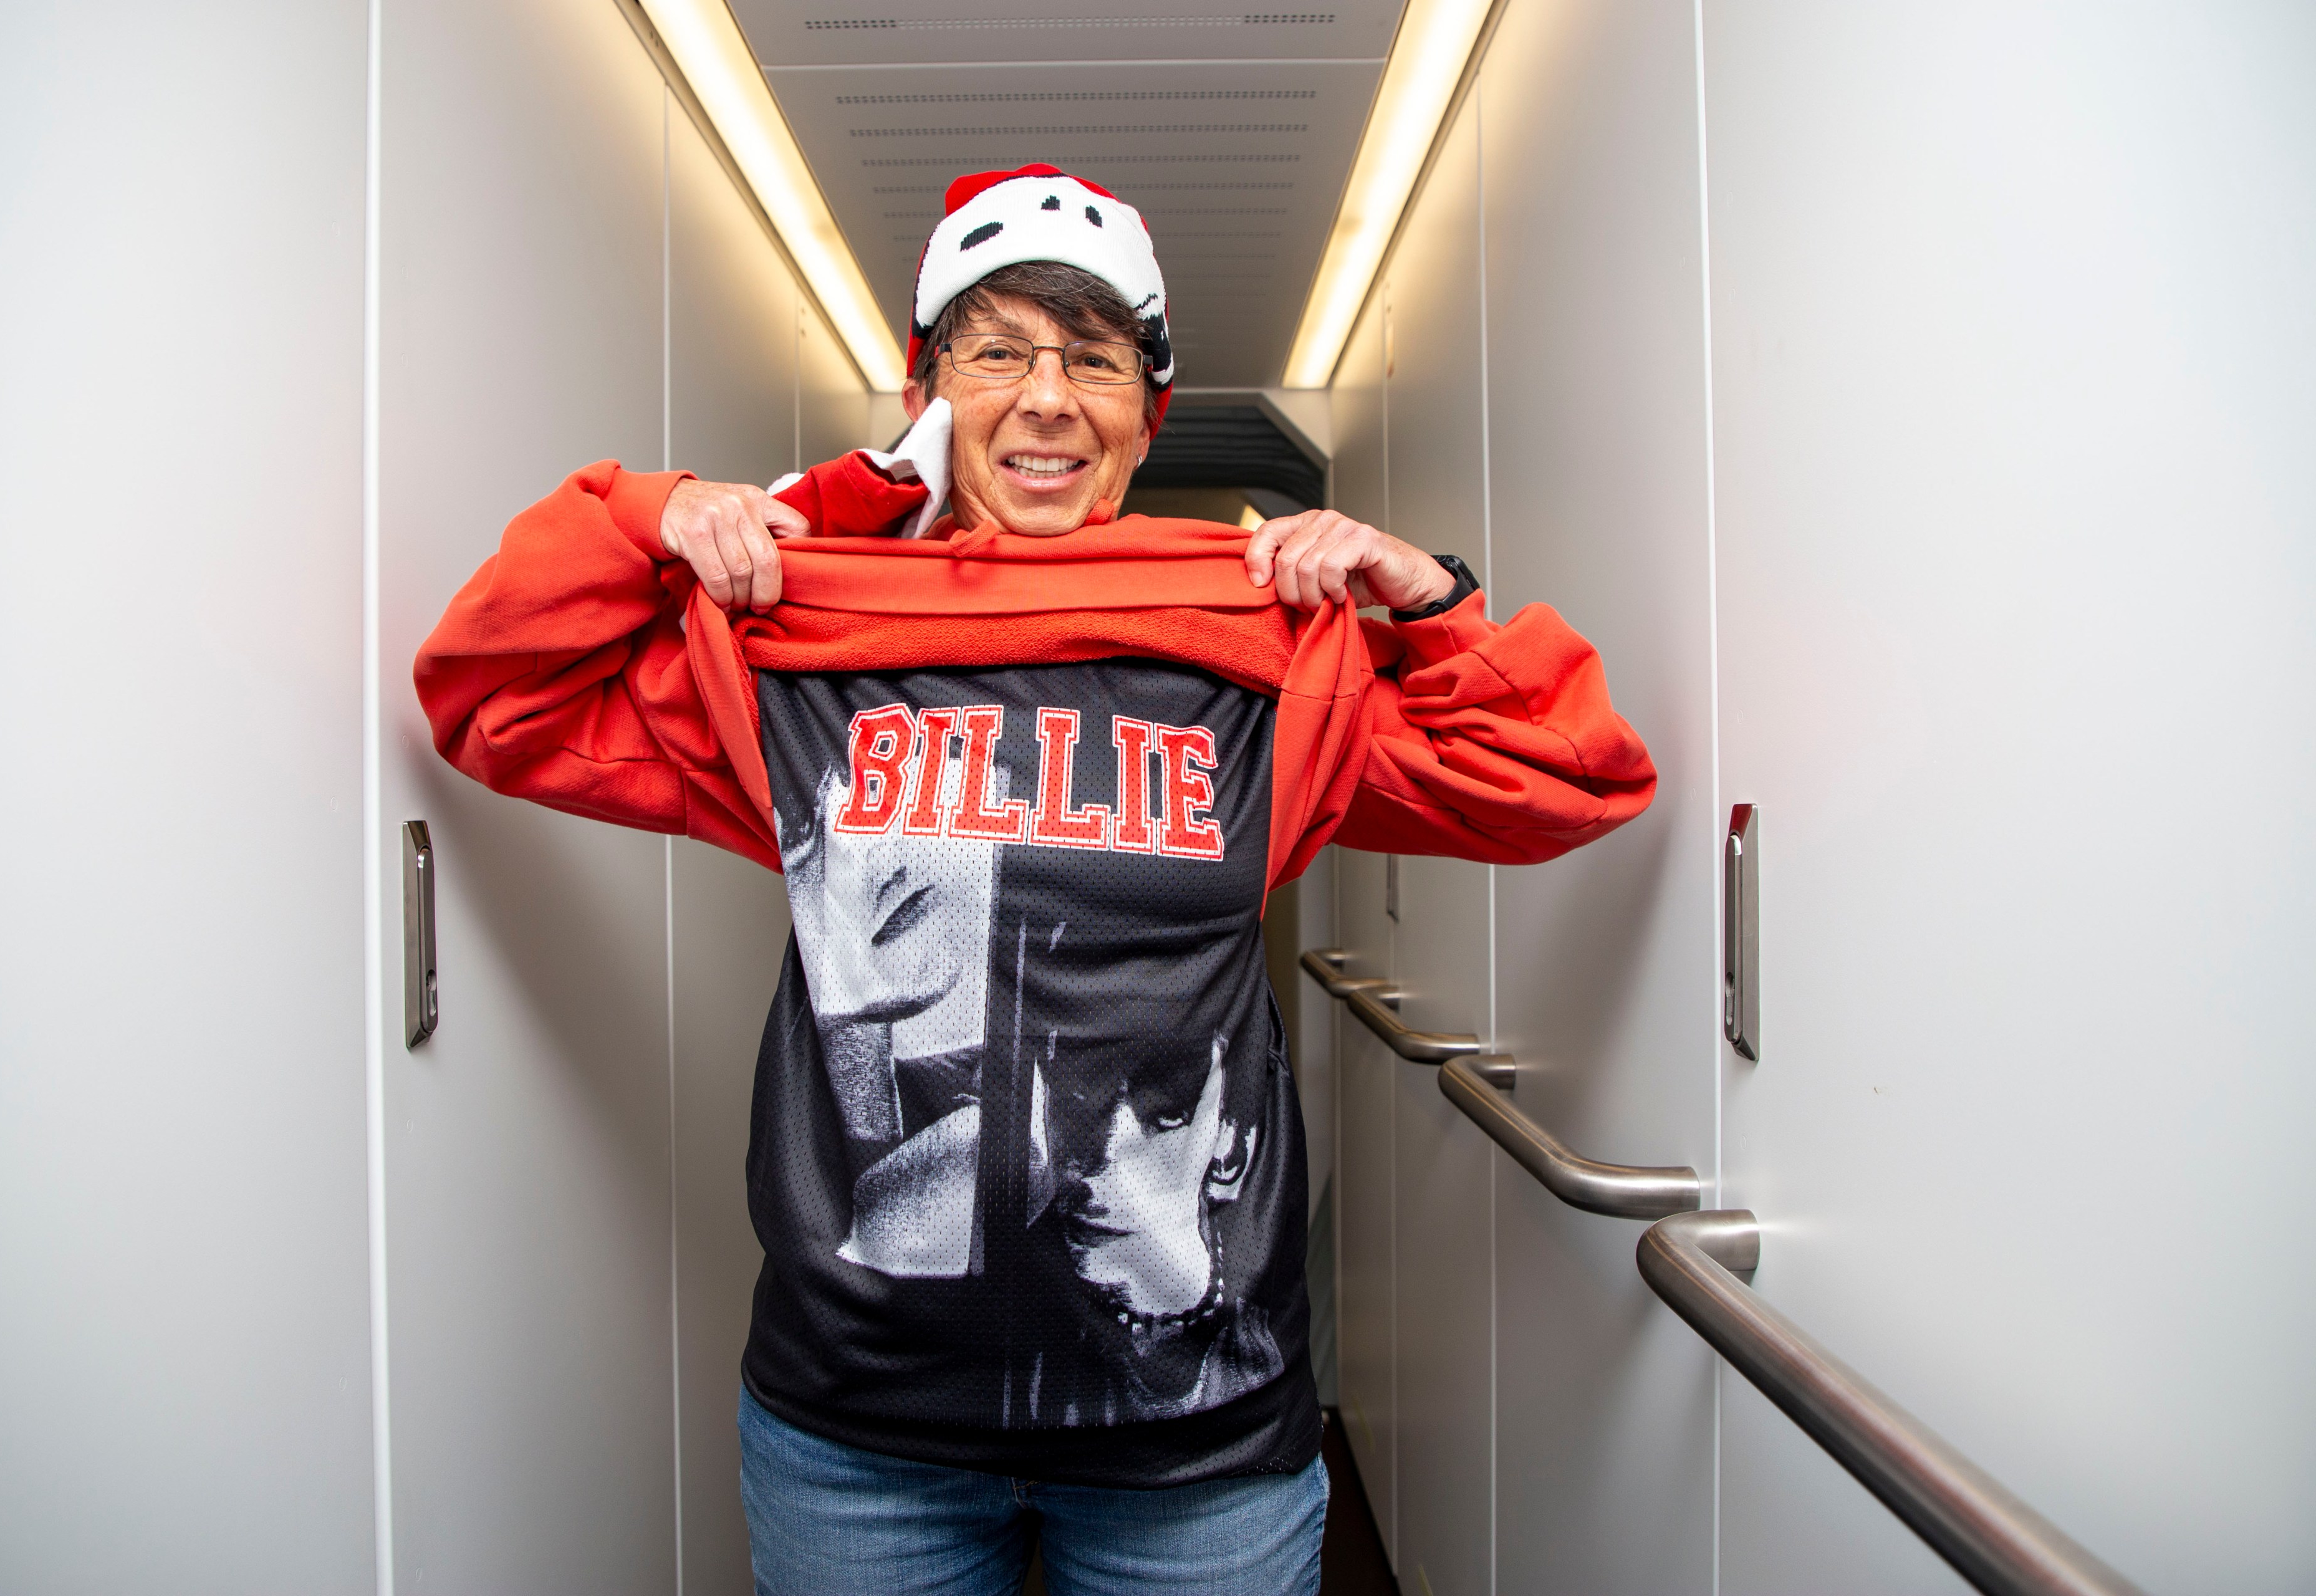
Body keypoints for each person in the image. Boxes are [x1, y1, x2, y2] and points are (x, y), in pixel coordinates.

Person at [416, 162, 1656, 1596]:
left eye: (1095, 357)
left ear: (1148, 412)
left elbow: (1572, 771)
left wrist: (1418, 592)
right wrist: (664, 511)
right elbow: (494, 693)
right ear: (929, 394)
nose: (1048, 396)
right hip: (858, 1434)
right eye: (994, 351)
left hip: (1192, 1439)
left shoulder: (1262, 664)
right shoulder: (802, 655)